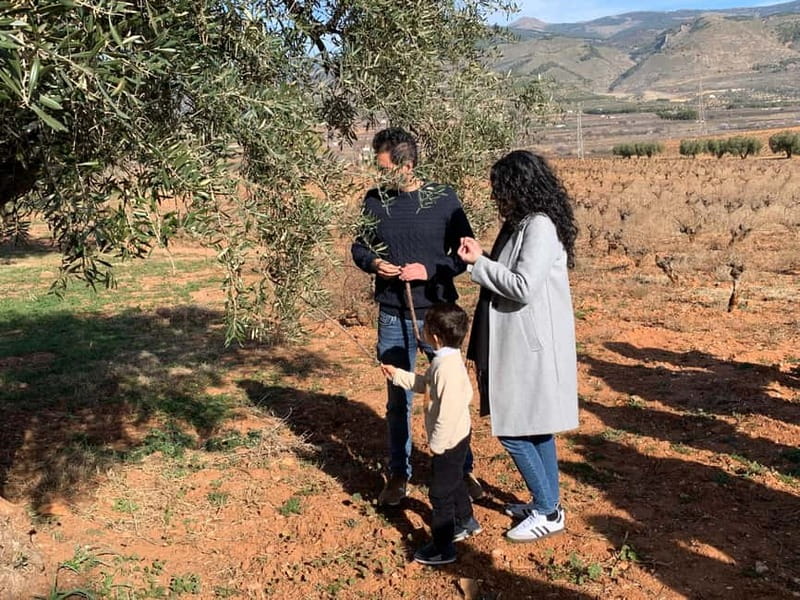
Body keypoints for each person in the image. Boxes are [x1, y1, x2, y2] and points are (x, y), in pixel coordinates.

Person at [351, 127, 483, 506]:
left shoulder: (443, 198)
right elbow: (359, 247)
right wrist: (375, 263)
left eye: (385, 167)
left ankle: (462, 469)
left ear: (407, 165)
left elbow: (465, 253)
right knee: (398, 398)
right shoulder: (374, 201)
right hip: (392, 315)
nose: (380, 176)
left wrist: (429, 269)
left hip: (438, 315)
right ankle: (398, 475)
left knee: (451, 397)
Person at [457, 150, 579, 543]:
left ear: (518, 186)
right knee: (537, 429)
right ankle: (547, 503)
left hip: (530, 348)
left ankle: (547, 510)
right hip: (523, 344)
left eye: (500, 188)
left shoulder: (539, 226)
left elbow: (523, 287)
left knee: (514, 431)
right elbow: (513, 273)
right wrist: (484, 259)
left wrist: (480, 263)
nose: (496, 196)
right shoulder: (524, 224)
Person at [381, 303, 481, 565]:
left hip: (448, 441)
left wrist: (437, 445)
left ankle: (443, 547)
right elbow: (426, 385)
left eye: (424, 327)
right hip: (458, 437)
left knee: (439, 493)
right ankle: (467, 521)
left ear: (434, 336)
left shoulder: (446, 369)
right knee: (455, 478)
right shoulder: (445, 360)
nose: (421, 331)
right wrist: (398, 376)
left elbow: (447, 411)